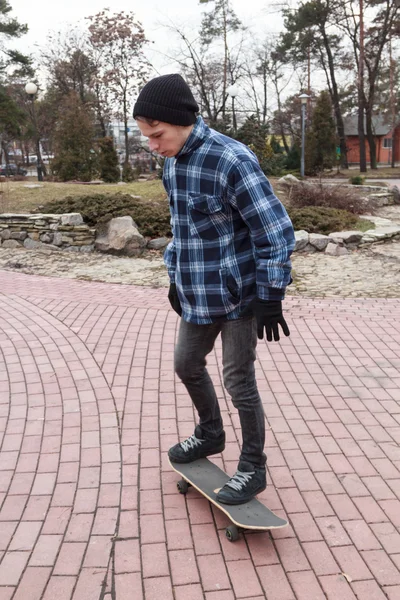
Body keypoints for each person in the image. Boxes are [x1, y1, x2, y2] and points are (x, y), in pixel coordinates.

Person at [133, 74, 295, 505]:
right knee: (186, 364)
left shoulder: (232, 160)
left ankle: (253, 466)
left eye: (157, 135)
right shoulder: (172, 162)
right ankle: (210, 434)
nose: (153, 145)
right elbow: (182, 229)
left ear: (179, 121)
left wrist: (271, 294)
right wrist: (174, 275)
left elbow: (275, 232)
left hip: (240, 296)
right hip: (196, 294)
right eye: (147, 137)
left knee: (238, 382)